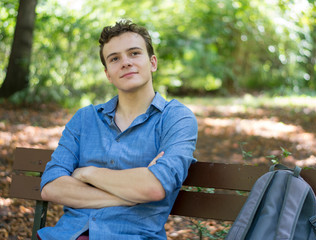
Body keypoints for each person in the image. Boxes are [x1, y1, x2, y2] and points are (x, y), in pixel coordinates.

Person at [38, 19, 198, 240]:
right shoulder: (85, 119)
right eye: (114, 58)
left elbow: (154, 188)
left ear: (152, 62)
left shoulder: (176, 118)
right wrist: (129, 194)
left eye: (134, 53)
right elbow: (52, 186)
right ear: (108, 74)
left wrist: (87, 173)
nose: (125, 62)